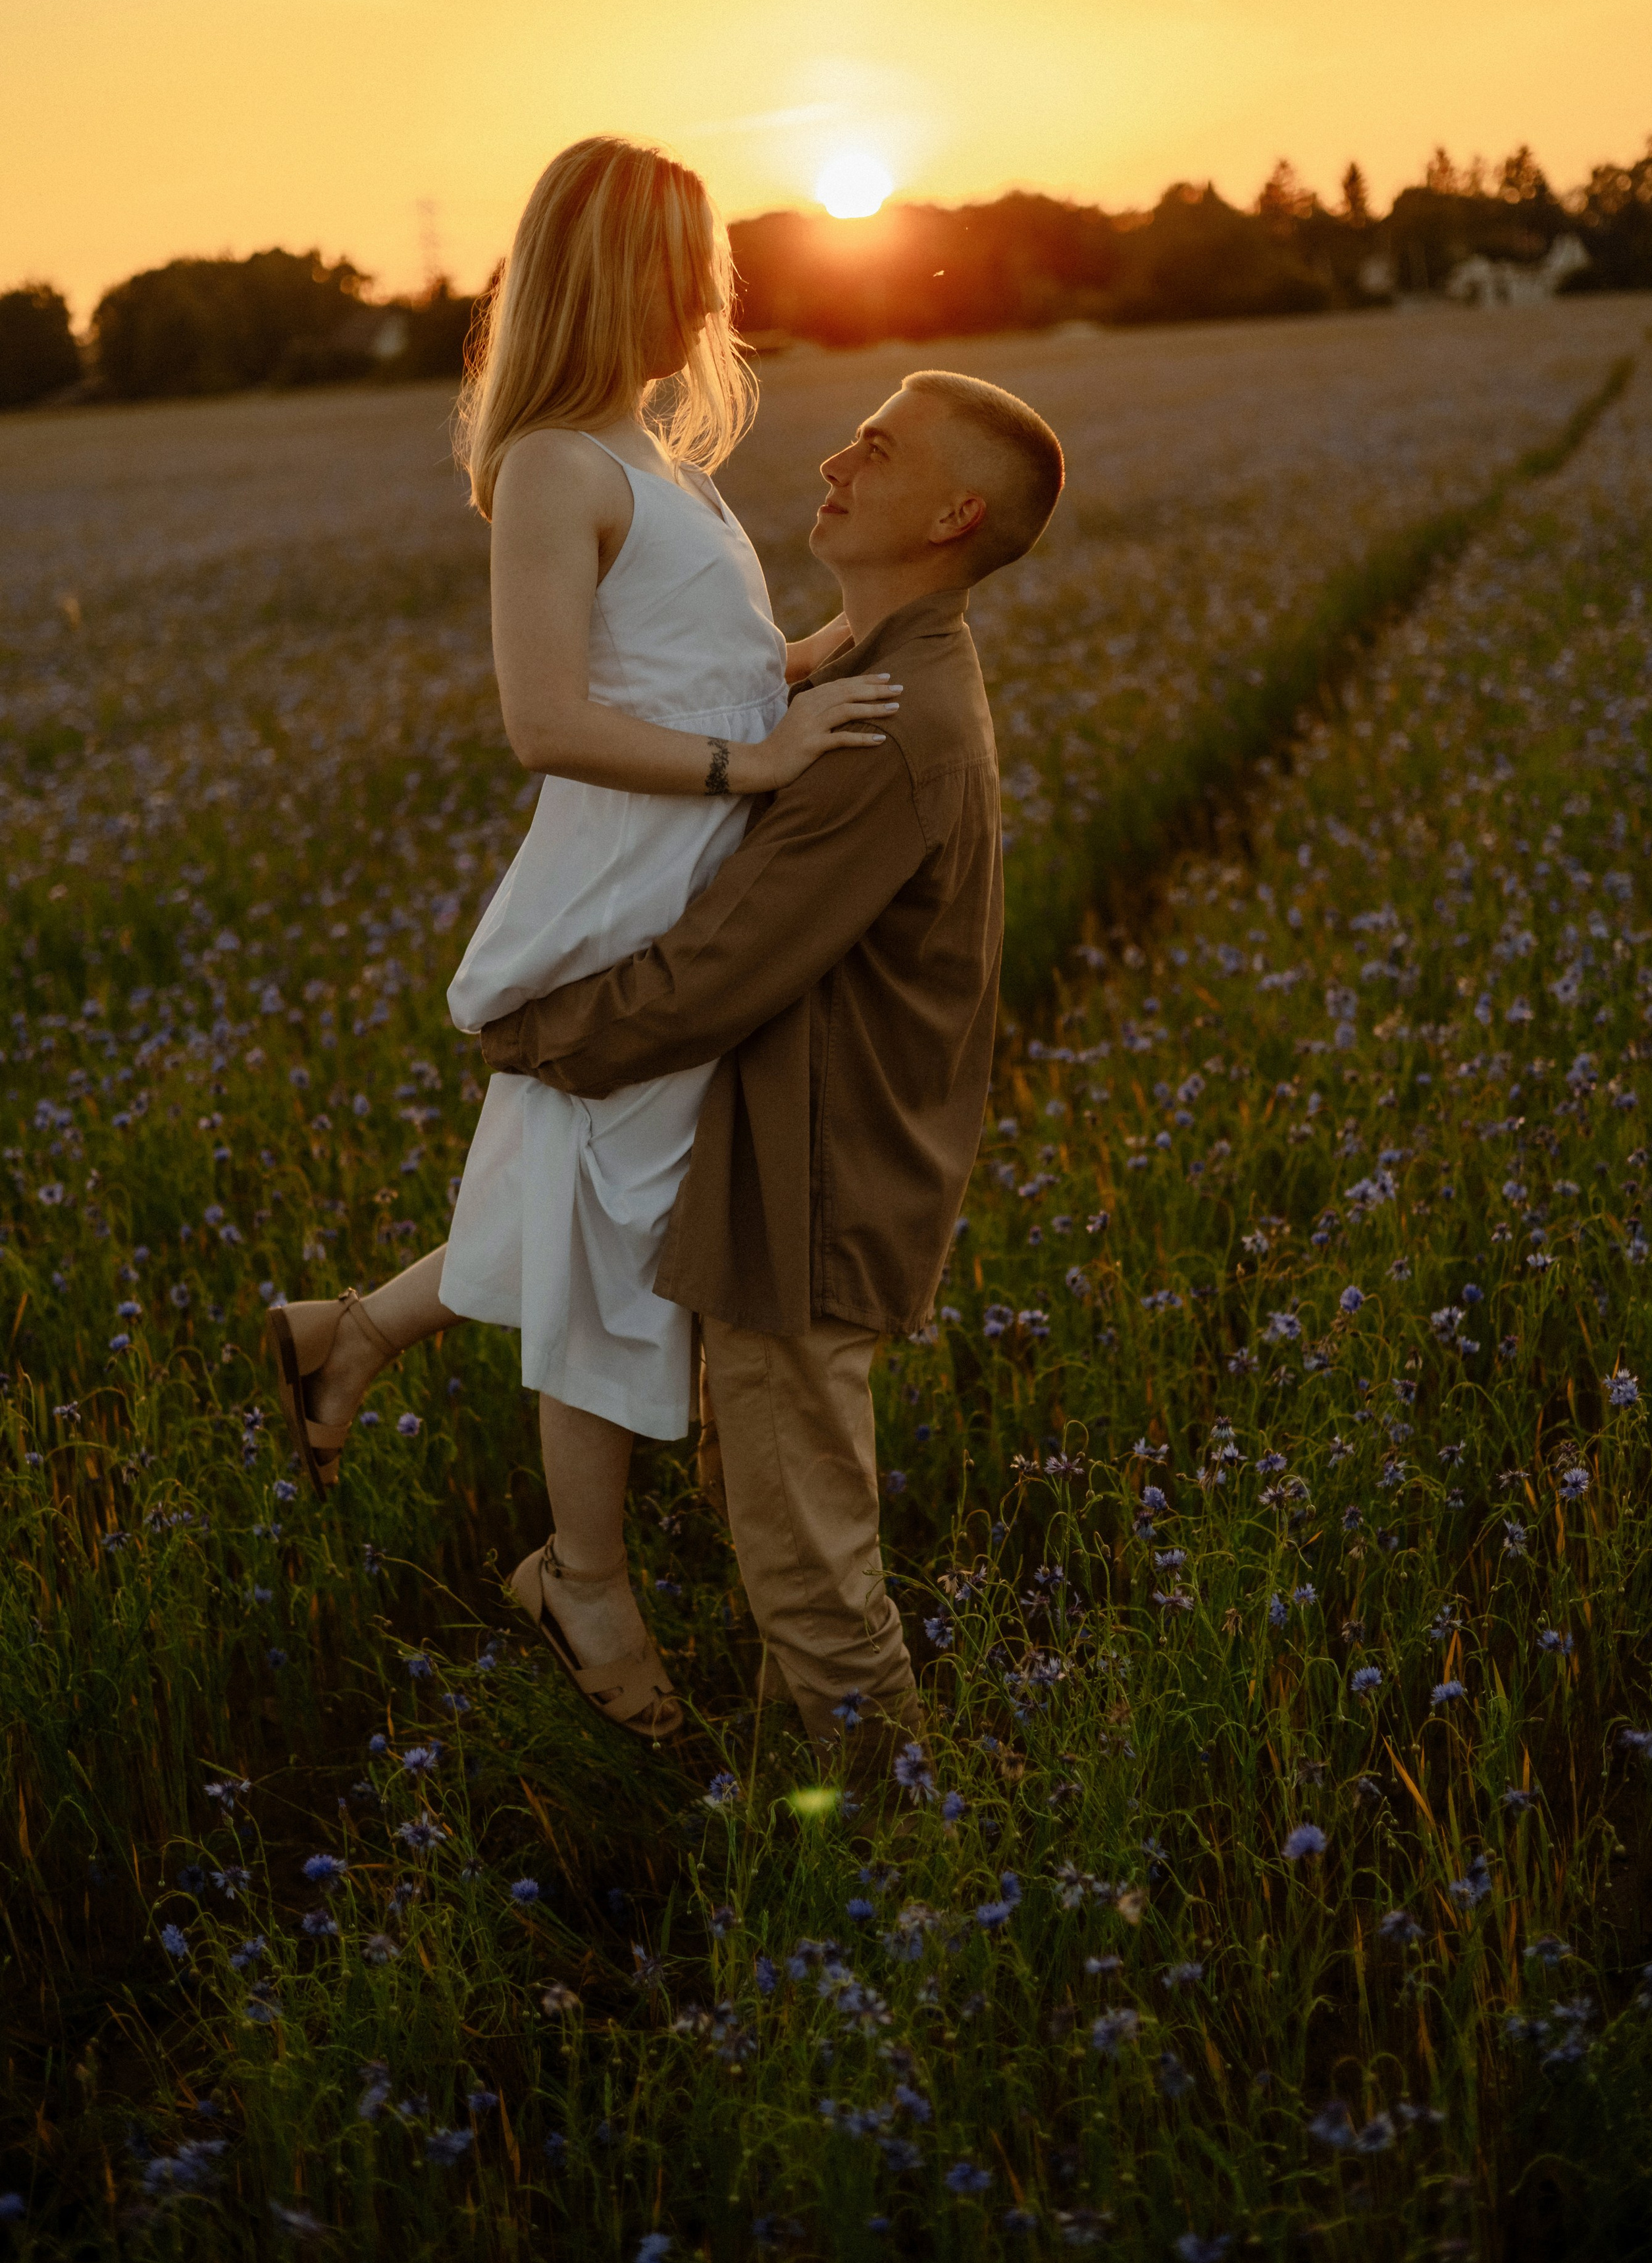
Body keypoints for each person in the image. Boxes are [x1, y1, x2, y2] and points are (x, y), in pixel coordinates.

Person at [264, 136, 898, 1743]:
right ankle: (581, 1578)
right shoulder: (558, 461)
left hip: (679, 882)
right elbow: (545, 718)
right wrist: (747, 766)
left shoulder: (652, 454)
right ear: (622, 268)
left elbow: (696, 665)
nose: (713, 284)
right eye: (686, 255)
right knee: (618, 1241)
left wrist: (823, 656)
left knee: (578, 1190)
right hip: (624, 890)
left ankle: (352, 1336)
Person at [478, 365, 1064, 1764]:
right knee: (782, 1528)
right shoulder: (873, 672)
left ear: (955, 512)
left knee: (811, 1569)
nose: (835, 464)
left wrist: (524, 1034)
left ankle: (900, 1875)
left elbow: (713, 975)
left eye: (879, 449)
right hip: (798, 1170)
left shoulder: (886, 727)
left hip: (812, 1186)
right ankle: (800, 1819)